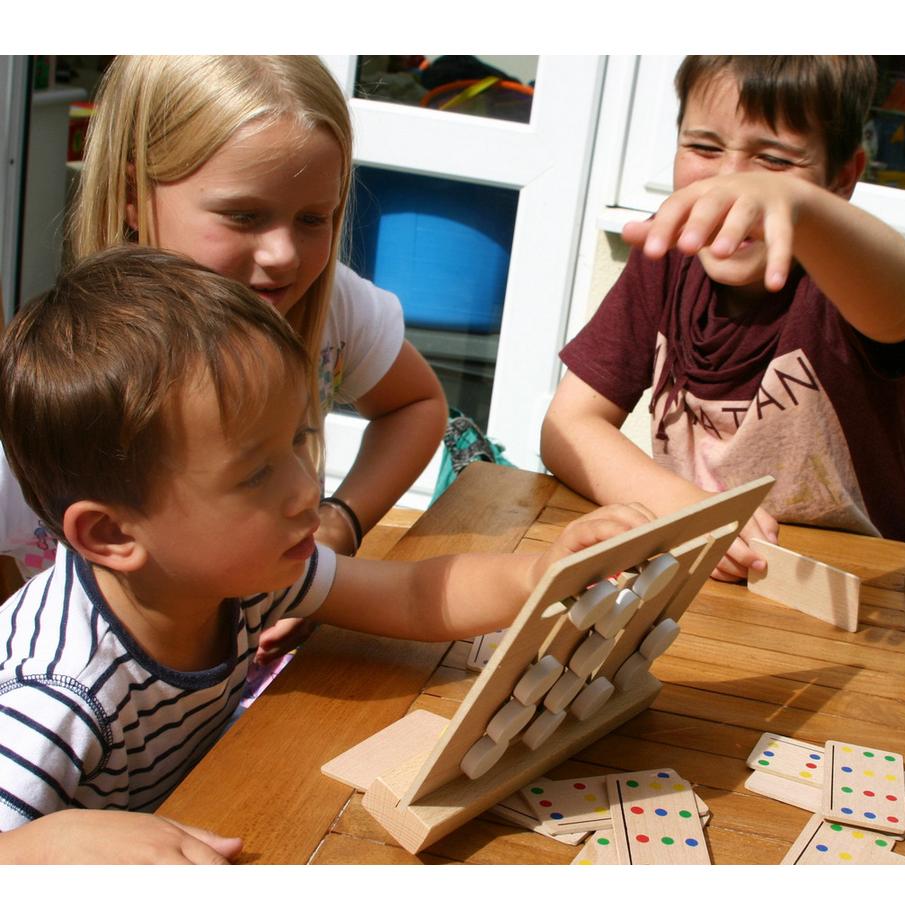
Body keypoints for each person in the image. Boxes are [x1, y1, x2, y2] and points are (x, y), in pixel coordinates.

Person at [0, 247, 649, 862]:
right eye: (255, 474)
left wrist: (544, 570)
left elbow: (414, 596)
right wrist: (40, 849)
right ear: (113, 536)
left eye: (300, 439)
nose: (306, 487)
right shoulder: (58, 695)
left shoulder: (244, 574)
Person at [0, 55, 449, 664]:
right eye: (244, 215)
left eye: (314, 218)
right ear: (134, 198)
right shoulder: (74, 381)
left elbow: (416, 404)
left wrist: (339, 524)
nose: (284, 254)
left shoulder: (331, 303)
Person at [542, 56, 905, 582]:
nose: (731, 183)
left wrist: (797, 206)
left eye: (776, 160)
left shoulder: (846, 276)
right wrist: (689, 512)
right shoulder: (670, 252)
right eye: (704, 147)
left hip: (866, 602)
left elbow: (903, 293)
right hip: (694, 578)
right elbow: (568, 423)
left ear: (842, 179)